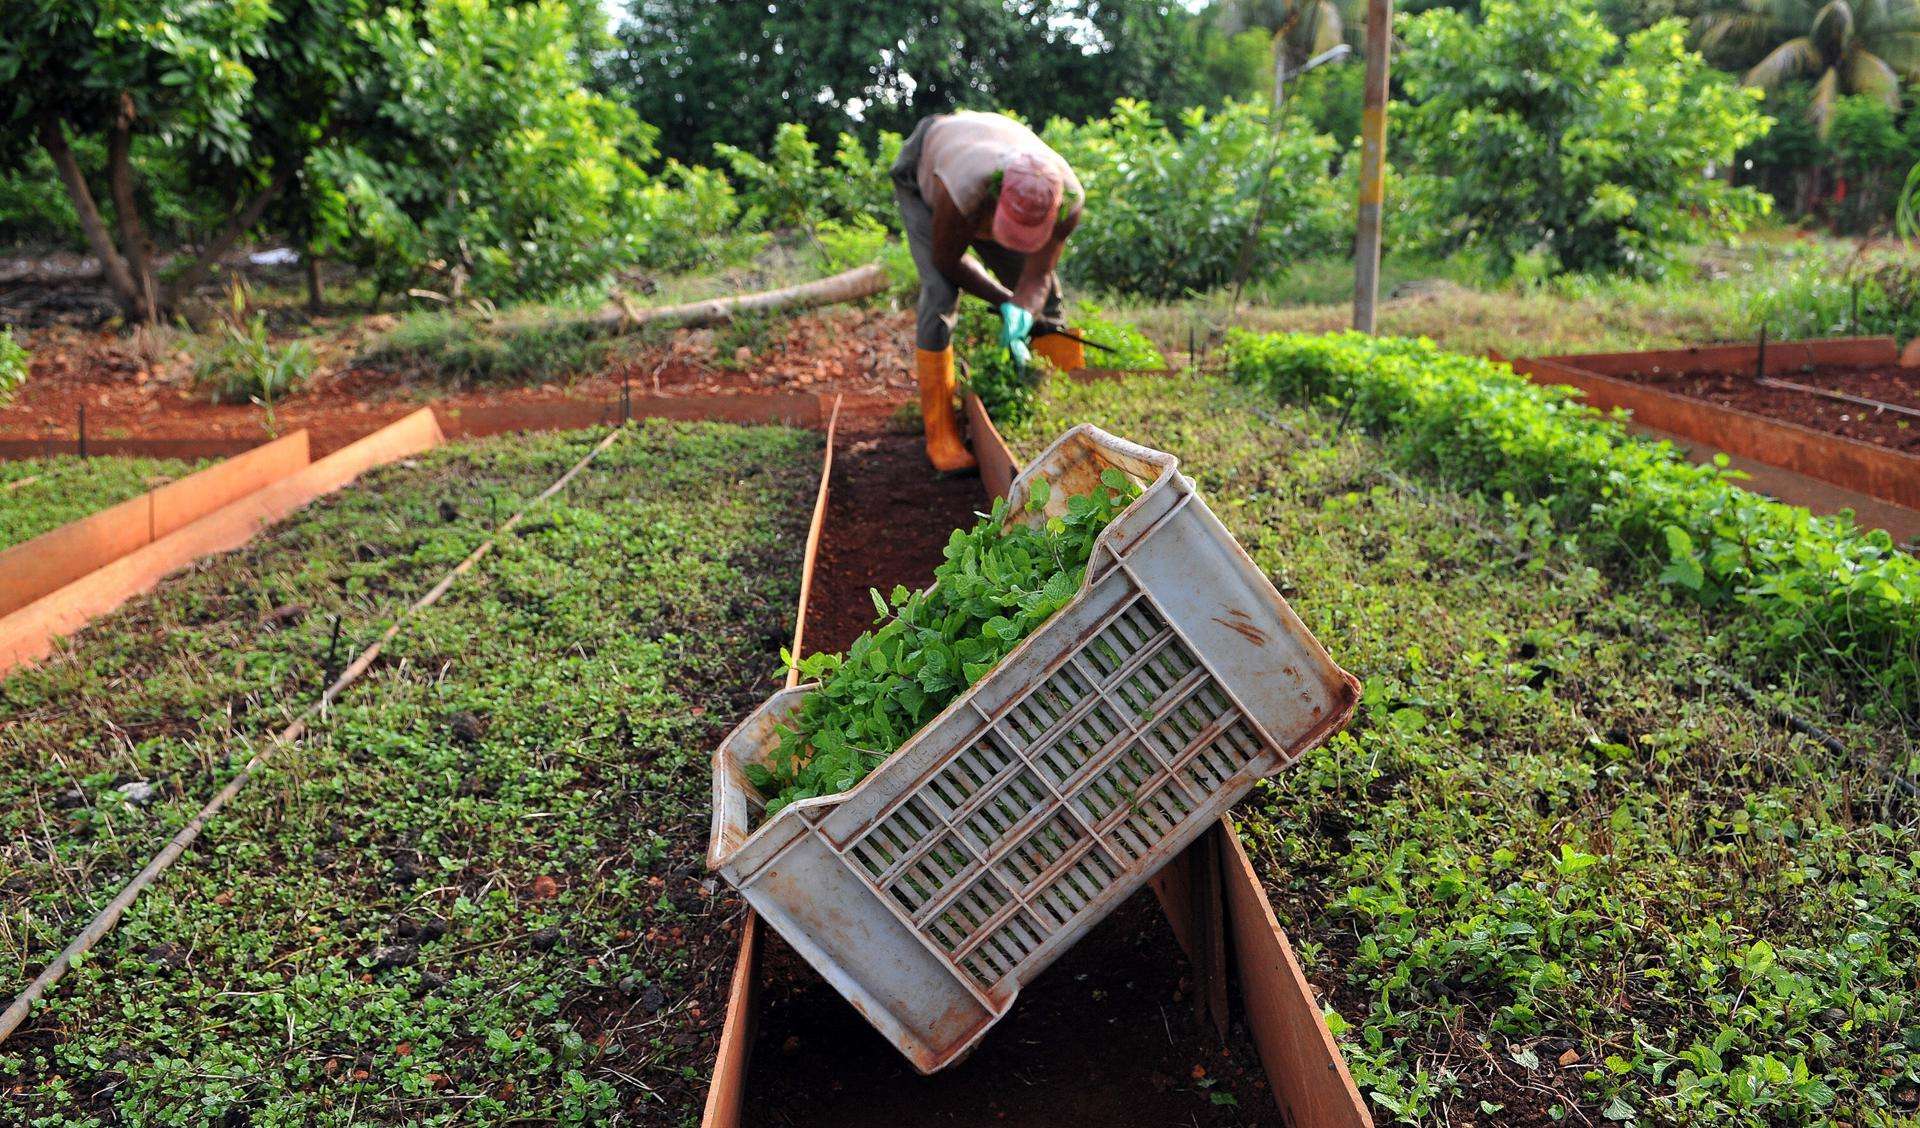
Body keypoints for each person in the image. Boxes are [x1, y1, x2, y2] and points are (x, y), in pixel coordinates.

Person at [892, 111, 1086, 471]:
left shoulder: (1069, 201)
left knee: (1049, 301)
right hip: (926, 165)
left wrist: (1026, 311)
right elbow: (948, 261)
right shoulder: (963, 190)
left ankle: (1058, 399)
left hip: (985, 155)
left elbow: (1038, 275)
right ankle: (941, 434)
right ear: (997, 201)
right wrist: (1005, 301)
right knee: (940, 294)